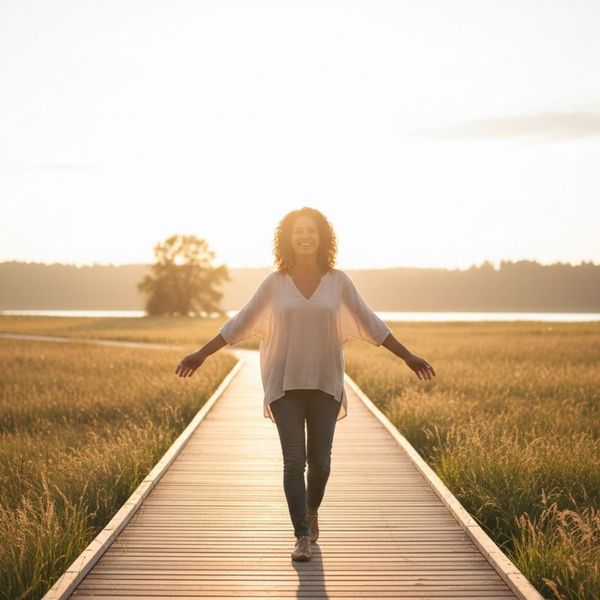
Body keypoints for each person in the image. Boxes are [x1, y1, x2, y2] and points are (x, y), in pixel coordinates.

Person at [175, 207, 435, 562]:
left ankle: (312, 510)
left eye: (311, 230)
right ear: (288, 238)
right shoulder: (275, 283)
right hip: (284, 382)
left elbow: (370, 322)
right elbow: (240, 322)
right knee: (293, 462)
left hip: (325, 381)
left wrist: (408, 356)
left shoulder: (339, 281)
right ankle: (301, 535)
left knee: (322, 463)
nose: (305, 236)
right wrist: (201, 354)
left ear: (322, 237)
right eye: (298, 231)